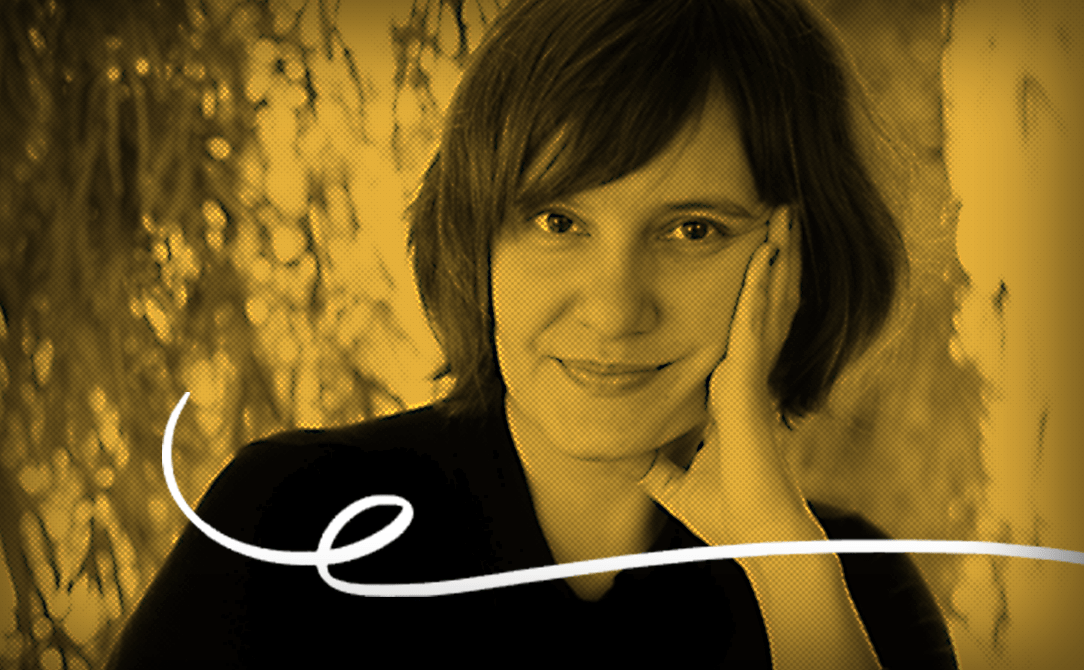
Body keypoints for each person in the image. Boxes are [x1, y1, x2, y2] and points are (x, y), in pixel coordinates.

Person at [105, 0, 958, 667]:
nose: (614, 309)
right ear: (478, 236)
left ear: (797, 257)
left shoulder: (854, 594)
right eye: (558, 221)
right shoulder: (294, 524)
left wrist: (787, 570)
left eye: (692, 230)